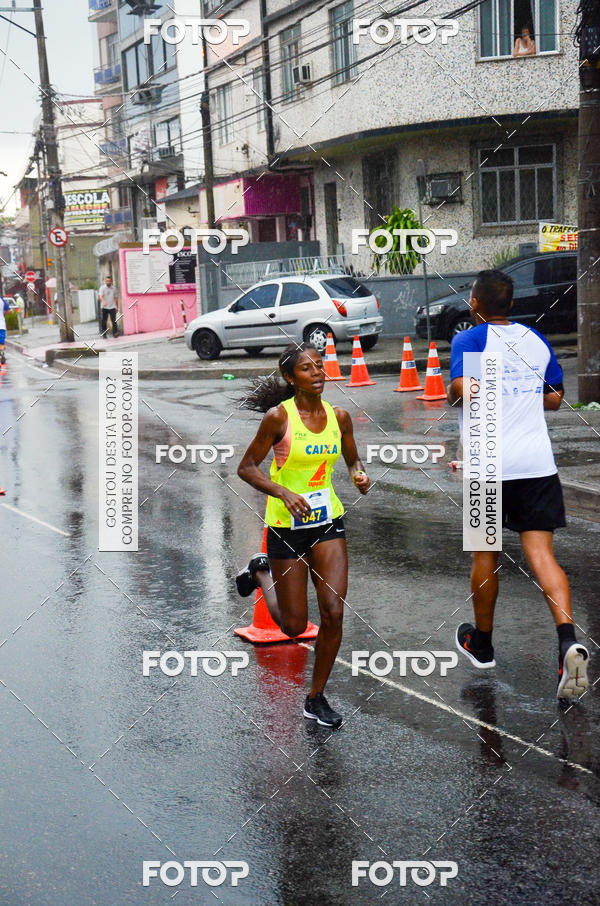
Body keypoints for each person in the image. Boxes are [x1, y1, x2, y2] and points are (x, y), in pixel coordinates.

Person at [448, 269, 589, 700]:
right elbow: (554, 397)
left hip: (488, 464)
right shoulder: (535, 341)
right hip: (535, 463)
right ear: (511, 305)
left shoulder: (469, 340)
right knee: (541, 554)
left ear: (476, 303)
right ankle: (567, 640)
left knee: (485, 552)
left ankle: (483, 644)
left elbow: (459, 391)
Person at [236, 343, 371, 728]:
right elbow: (247, 467)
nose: (319, 373)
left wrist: (359, 475)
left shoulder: (339, 417)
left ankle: (316, 697)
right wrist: (282, 491)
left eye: (321, 366)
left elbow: (352, 458)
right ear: (292, 378)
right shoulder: (278, 419)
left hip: (328, 521)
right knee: (295, 627)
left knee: (333, 611)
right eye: (308, 369)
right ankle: (262, 574)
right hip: (286, 525)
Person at [0, 295, 10, 365]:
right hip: (1, 325)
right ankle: (2, 354)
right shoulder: (1, 300)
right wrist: (3, 313)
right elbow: (9, 311)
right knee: (1, 343)